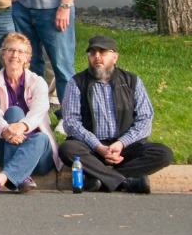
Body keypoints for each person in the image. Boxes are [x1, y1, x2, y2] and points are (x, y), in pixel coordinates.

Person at [59, 36, 174, 194]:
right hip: (92, 149)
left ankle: (101, 179)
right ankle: (125, 182)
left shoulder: (132, 81)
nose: (97, 57)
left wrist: (121, 144)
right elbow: (71, 122)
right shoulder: (77, 82)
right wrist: (99, 147)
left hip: (124, 148)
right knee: (67, 149)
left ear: (115, 57)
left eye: (103, 52)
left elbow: (145, 119)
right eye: (92, 53)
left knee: (163, 154)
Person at [0, 33, 60, 196]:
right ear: (3, 54)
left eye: (21, 52)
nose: (15, 55)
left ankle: (0, 180)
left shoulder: (38, 82)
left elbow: (40, 110)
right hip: (3, 144)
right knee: (14, 112)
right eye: (10, 50)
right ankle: (20, 175)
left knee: (42, 138)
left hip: (36, 152)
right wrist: (7, 130)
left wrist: (21, 126)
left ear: (27, 57)